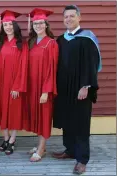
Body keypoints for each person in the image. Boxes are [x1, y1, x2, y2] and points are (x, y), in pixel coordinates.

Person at [52, 5, 101, 175]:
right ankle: (70, 150)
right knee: (67, 120)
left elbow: (92, 65)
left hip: (81, 89)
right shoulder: (61, 39)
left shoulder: (88, 39)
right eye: (66, 17)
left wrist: (86, 86)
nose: (69, 19)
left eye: (72, 16)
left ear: (79, 18)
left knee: (80, 123)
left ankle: (82, 159)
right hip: (64, 88)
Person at [0, 10, 28, 155]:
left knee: (13, 113)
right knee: (2, 112)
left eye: (10, 24)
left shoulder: (22, 44)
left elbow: (23, 66)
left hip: (14, 85)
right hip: (1, 85)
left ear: (15, 26)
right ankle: (6, 139)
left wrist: (17, 86)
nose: (8, 27)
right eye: (5, 24)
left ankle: (12, 141)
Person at [23, 8, 58, 162]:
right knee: (37, 117)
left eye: (41, 23)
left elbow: (52, 69)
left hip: (44, 87)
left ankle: (42, 149)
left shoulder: (51, 43)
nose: (38, 25)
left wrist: (46, 91)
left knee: (44, 117)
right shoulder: (31, 42)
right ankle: (40, 145)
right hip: (32, 87)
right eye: (35, 23)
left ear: (46, 24)